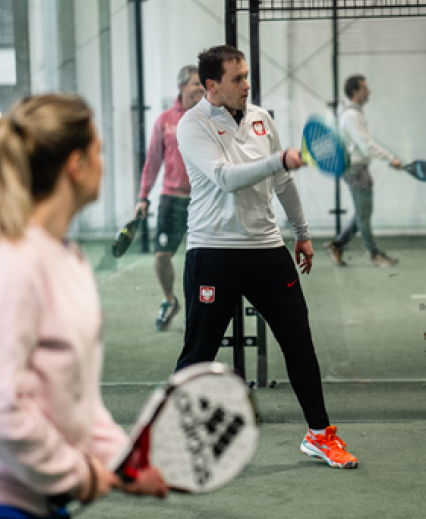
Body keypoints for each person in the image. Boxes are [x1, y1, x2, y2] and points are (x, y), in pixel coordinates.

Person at [0, 94, 169, 519]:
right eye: (98, 152)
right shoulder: (3, 263)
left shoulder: (69, 259)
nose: (104, 164)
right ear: (76, 164)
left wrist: (123, 463)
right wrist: (78, 475)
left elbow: (72, 397)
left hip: (32, 499)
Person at [174, 45, 358, 469]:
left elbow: (282, 180)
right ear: (212, 86)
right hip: (213, 253)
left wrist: (303, 234)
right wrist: (280, 158)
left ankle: (319, 435)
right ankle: (172, 436)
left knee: (299, 343)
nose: (247, 84)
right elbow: (223, 178)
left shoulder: (261, 119)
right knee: (199, 353)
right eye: (237, 79)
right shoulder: (193, 124)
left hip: (267, 250)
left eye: (247, 75)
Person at [134, 65, 205, 332]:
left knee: (201, 258)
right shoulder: (165, 120)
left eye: (202, 84)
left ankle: (202, 309)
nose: (200, 88)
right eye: (196, 83)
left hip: (202, 200)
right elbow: (152, 162)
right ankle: (169, 301)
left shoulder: (208, 117)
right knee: (162, 256)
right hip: (171, 200)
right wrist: (143, 196)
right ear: (182, 87)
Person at [324, 75, 403, 267]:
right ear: (355, 92)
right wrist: (390, 158)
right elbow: (366, 146)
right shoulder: (351, 116)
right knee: (364, 216)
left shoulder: (353, 114)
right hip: (356, 170)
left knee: (361, 214)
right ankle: (374, 255)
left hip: (357, 169)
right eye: (365, 89)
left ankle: (336, 245)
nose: (369, 92)